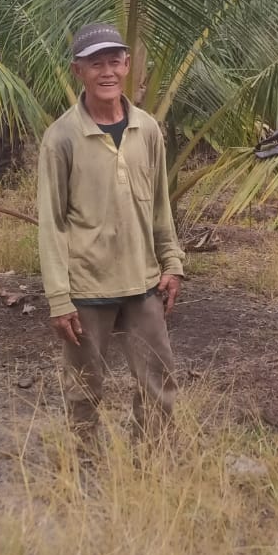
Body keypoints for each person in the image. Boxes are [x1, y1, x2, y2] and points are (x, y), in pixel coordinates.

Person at [37, 23, 186, 445]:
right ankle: (85, 466)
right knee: (85, 389)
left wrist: (172, 263)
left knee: (159, 381)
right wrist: (58, 297)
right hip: (86, 286)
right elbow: (52, 222)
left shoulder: (148, 130)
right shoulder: (61, 138)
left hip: (142, 282)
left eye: (115, 62)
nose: (107, 72)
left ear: (127, 67)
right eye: (95, 63)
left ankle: (151, 463)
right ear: (77, 71)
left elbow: (160, 204)